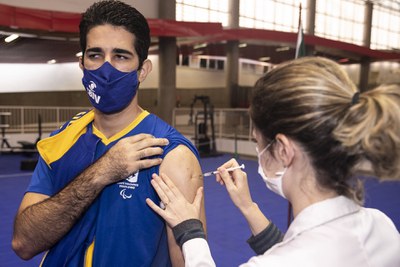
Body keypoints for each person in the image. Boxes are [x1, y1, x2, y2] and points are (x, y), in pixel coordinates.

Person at [146, 57, 400, 267]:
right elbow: (300, 251)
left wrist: (190, 231)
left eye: (258, 142)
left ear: (283, 150)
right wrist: (248, 207)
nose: (258, 151)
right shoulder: (381, 226)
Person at [12, 1, 205, 266]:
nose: (106, 68)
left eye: (121, 56)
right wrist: (102, 171)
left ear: (142, 71)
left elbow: (191, 261)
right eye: (95, 55)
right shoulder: (63, 140)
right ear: (82, 64)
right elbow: (24, 242)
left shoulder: (172, 155)